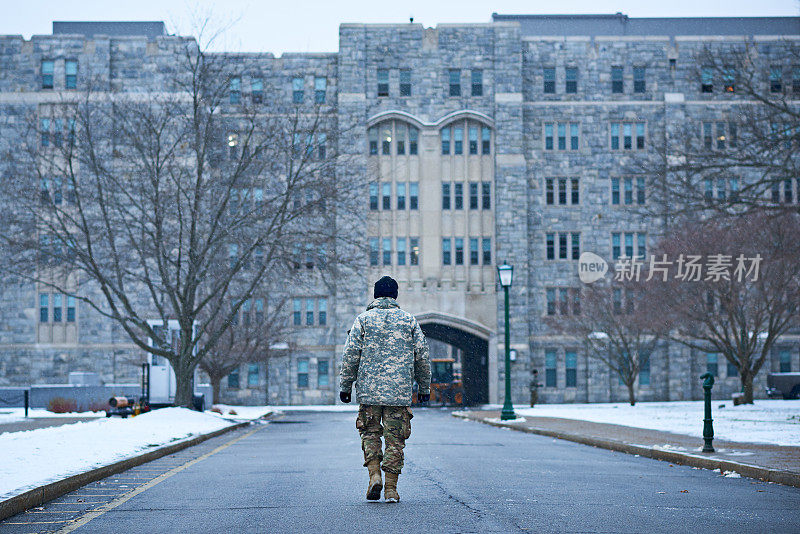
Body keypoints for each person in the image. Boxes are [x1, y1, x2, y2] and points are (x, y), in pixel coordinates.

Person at [339, 276, 431, 503]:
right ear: (396, 295)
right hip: (398, 394)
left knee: (370, 433)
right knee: (395, 440)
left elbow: (351, 355)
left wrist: (345, 386)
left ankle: (374, 476)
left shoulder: (363, 320)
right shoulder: (409, 321)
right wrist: (424, 387)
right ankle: (391, 489)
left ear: (375, 295)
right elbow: (422, 356)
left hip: (369, 393)